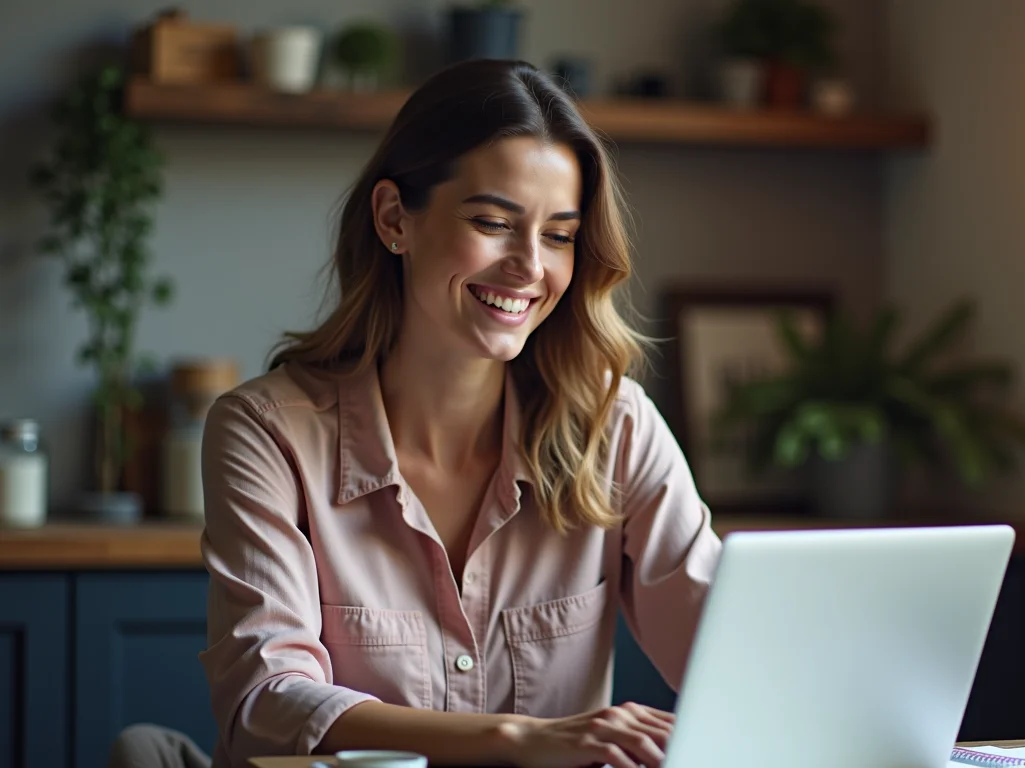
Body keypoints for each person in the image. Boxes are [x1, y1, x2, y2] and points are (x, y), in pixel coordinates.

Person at [197, 58, 722, 768]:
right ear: (394, 220)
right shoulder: (267, 433)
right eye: (493, 222)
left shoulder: (615, 426)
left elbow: (730, 653)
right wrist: (517, 740)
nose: (530, 267)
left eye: (560, 235)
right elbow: (267, 703)